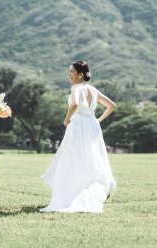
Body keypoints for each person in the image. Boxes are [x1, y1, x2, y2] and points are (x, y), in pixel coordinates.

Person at [40, 60, 117, 213]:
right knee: (92, 158)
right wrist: (98, 120)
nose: (69, 74)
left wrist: (66, 119)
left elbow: (74, 104)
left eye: (72, 72)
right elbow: (112, 106)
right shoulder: (93, 89)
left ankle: (72, 194)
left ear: (80, 74)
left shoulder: (76, 88)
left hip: (78, 125)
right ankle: (90, 190)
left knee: (72, 159)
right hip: (91, 125)